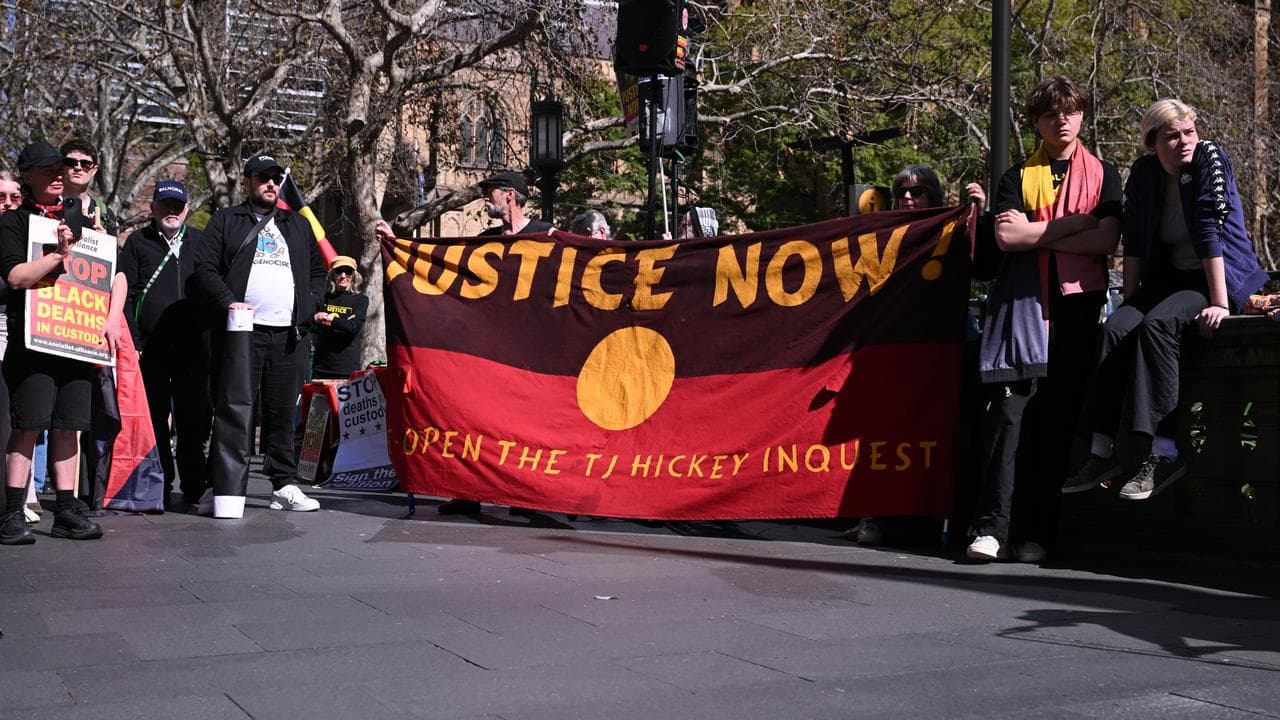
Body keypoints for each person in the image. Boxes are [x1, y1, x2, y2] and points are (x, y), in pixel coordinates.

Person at [1061, 99, 1268, 501]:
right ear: (1152, 141)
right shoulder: (1144, 173)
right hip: (1170, 277)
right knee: (1116, 329)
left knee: (1159, 324)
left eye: (1189, 131)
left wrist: (1221, 304)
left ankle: (1166, 451)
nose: (1184, 141)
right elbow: (1135, 241)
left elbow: (1211, 231)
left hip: (1217, 278)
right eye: (1172, 135)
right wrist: (1133, 300)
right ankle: (1102, 451)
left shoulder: (1209, 158)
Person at [966, 76, 1123, 564]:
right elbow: (1007, 241)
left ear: (1081, 116)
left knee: (1055, 426)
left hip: (1078, 314)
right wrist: (1076, 223)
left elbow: (1107, 242)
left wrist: (1039, 231)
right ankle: (992, 528)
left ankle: (1035, 534)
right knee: (1009, 421)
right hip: (1023, 311)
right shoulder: (1015, 177)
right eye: (1052, 113)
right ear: (1036, 121)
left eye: (1071, 111)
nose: (1063, 120)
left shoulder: (1106, 175)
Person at [844, 165, 986, 547]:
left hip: (951, 349)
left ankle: (955, 524)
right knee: (891, 439)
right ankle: (879, 516)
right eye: (902, 192)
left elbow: (985, 263)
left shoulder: (953, 229)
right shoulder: (884, 237)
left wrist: (978, 214)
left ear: (935, 198)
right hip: (899, 354)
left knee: (951, 440)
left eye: (919, 192)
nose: (909, 198)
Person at [0, 141, 128, 544]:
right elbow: (17, 276)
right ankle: (12, 511)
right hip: (33, 341)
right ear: (28, 175)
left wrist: (111, 321)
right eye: (49, 169)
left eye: (63, 168)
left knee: (70, 427)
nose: (59, 174)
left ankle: (68, 509)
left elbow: (116, 275)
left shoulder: (83, 221)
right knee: (28, 425)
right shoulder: (14, 223)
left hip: (77, 340)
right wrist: (58, 256)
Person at [193, 153, 325, 513]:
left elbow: (318, 270)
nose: (271, 183)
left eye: (276, 177)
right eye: (263, 177)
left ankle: (283, 484)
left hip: (289, 336)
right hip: (241, 334)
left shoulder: (297, 225)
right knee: (234, 412)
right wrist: (228, 302)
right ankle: (218, 487)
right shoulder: (226, 220)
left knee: (283, 413)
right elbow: (204, 268)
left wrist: (311, 304)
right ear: (248, 181)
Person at [120, 179, 211, 507]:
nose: (172, 211)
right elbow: (126, 293)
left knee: (193, 420)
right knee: (154, 419)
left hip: (193, 347)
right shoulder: (137, 243)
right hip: (150, 350)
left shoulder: (201, 242)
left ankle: (194, 485)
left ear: (187, 208)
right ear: (153, 208)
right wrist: (133, 339)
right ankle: (159, 483)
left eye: (178, 206)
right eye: (165, 205)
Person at [311, 255, 368, 380]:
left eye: (348, 272)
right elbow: (312, 325)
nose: (343, 276)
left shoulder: (360, 300)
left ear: (354, 275)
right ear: (332, 275)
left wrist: (328, 319)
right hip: (321, 366)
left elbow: (353, 327)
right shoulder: (324, 297)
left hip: (347, 368)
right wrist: (342, 324)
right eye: (339, 271)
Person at [58, 139, 119, 237]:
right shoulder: (46, 205)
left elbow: (113, 250)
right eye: (70, 162)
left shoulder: (105, 215)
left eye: (85, 164)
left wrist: (105, 241)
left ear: (94, 170)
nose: (78, 168)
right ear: (61, 166)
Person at [478, 171, 553, 236]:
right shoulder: (487, 239)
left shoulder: (545, 233)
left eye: (490, 192)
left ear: (510, 194)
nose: (485, 198)